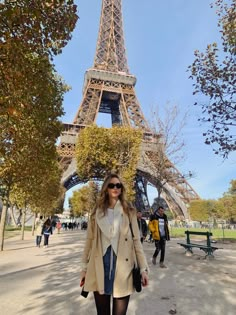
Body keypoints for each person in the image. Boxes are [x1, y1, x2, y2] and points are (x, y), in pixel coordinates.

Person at [80, 173, 149, 315]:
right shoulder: (96, 213)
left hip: (123, 268)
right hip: (100, 266)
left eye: (118, 185)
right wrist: (84, 268)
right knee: (102, 313)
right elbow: (90, 241)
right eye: (111, 185)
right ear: (106, 188)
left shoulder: (129, 212)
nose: (115, 188)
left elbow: (137, 241)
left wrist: (143, 269)